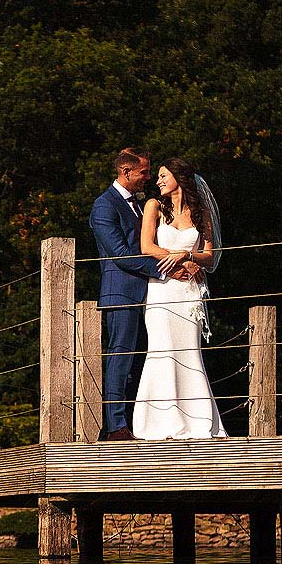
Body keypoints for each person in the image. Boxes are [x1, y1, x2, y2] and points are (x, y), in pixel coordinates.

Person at [134, 157, 228, 440]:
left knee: (189, 350)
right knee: (161, 348)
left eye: (163, 175)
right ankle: (159, 423)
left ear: (179, 177)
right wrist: (177, 261)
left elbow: (209, 256)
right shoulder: (154, 206)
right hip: (163, 290)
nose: (158, 180)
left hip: (189, 293)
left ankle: (198, 423)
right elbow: (146, 246)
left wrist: (188, 256)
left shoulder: (201, 213)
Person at [86, 148, 156, 441]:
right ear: (126, 172)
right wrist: (165, 269)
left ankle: (132, 422)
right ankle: (115, 427)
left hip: (148, 295)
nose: (148, 178)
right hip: (122, 294)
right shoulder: (105, 206)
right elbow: (122, 255)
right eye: (144, 172)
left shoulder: (138, 205)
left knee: (140, 361)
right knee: (120, 359)